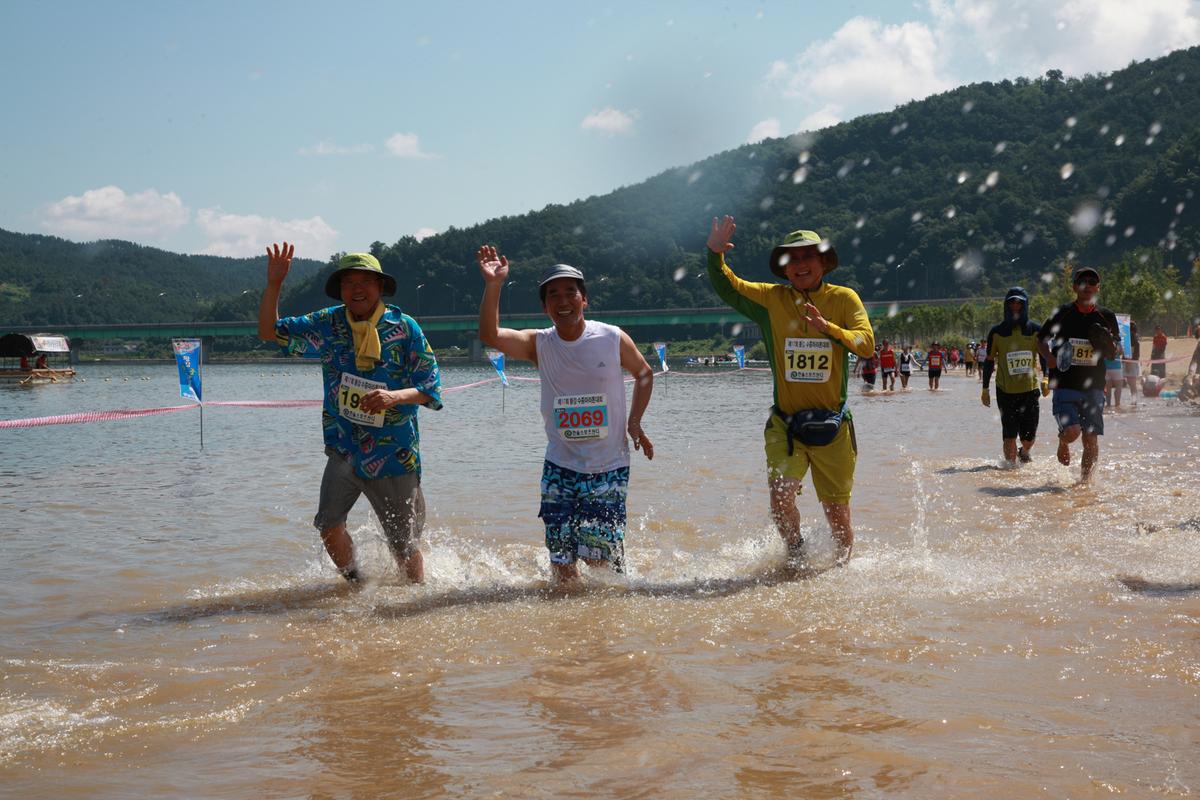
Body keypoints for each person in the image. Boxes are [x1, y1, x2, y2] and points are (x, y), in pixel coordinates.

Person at [258, 244, 442, 584]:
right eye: (348, 283)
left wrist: (393, 397)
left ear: (380, 287)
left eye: (366, 282)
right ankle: (358, 585)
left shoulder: (405, 328)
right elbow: (270, 332)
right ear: (340, 291)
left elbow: (430, 387)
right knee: (328, 525)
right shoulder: (328, 323)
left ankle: (414, 602)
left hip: (394, 454)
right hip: (344, 448)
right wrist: (274, 284)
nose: (357, 289)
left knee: (403, 546)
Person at [476, 245, 655, 585]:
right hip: (560, 466)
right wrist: (494, 284)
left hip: (608, 466)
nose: (563, 301)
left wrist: (635, 423)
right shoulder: (539, 344)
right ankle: (569, 626)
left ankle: (608, 621)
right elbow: (490, 335)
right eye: (553, 295)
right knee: (561, 560)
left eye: (570, 292)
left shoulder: (611, 337)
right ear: (545, 307)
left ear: (584, 299)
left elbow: (644, 374)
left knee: (598, 558)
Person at [706, 216, 875, 568]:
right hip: (786, 427)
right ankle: (796, 553)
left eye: (807, 257)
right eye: (792, 260)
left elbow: (866, 344)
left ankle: (840, 575)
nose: (800, 265)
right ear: (783, 269)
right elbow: (729, 287)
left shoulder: (844, 299)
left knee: (838, 515)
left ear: (823, 262)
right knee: (780, 499)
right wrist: (714, 254)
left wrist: (827, 327)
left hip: (833, 427)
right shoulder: (772, 300)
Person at [1037, 266, 1121, 482]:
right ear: (1075, 287)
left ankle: (1084, 485)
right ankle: (1063, 441)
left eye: (1092, 282)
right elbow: (1041, 340)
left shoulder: (1107, 317)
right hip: (1065, 384)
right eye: (1082, 282)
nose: (1087, 286)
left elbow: (1117, 349)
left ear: (1098, 288)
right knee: (1073, 432)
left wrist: (1110, 346)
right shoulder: (1062, 313)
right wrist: (1049, 358)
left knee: (1091, 439)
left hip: (1094, 386)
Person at [981, 287, 1050, 465]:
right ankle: (1010, 472)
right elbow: (989, 361)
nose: (1015, 305)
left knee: (1029, 437)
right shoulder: (996, 332)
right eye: (1012, 301)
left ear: (1025, 304)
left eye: (1019, 302)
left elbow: (1044, 356)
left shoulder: (1036, 330)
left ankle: (1024, 450)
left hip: (1030, 390)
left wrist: (1046, 377)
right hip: (1005, 391)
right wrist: (985, 388)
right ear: (1006, 304)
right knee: (1009, 435)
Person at [1122, 320, 1140, 407]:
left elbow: (1131, 349)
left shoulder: (1131, 336)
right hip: (1133, 361)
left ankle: (1134, 402)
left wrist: (1128, 362)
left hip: (1130, 361)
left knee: (1132, 384)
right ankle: (1134, 401)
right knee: (1132, 384)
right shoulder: (1136, 335)